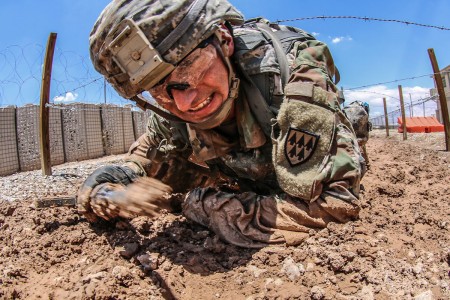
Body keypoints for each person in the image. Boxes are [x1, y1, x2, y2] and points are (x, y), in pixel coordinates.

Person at [78, 0, 365, 248]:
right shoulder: (170, 113)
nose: (184, 103)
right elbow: (139, 166)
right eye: (158, 89)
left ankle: (356, 120)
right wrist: (105, 190)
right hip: (255, 169)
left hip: (305, 121)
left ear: (224, 40)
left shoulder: (291, 81)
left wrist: (202, 205)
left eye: (188, 68)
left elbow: (334, 206)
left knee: (351, 137)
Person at [343, 101, 372, 169]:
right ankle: (364, 163)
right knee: (359, 144)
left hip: (348, 133)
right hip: (359, 133)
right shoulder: (363, 108)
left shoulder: (346, 108)